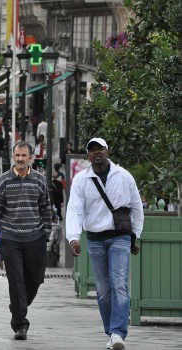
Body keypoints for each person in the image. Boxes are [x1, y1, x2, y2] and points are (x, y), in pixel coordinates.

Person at [66, 137, 143, 350]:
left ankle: (118, 332)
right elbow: (74, 209)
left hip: (120, 237)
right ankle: (111, 332)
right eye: (92, 150)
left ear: (107, 151)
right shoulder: (82, 180)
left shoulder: (124, 176)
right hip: (95, 239)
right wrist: (73, 237)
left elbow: (137, 207)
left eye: (100, 149)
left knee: (119, 283)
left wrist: (135, 235)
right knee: (102, 289)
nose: (96, 153)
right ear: (88, 155)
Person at [0, 141, 52, 341]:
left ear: (31, 158)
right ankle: (20, 324)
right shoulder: (3, 181)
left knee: (35, 279)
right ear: (13, 157)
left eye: (24, 156)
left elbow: (46, 208)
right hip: (10, 239)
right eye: (17, 156)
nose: (20, 159)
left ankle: (18, 306)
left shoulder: (39, 180)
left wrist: (46, 233)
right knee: (16, 281)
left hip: (35, 238)